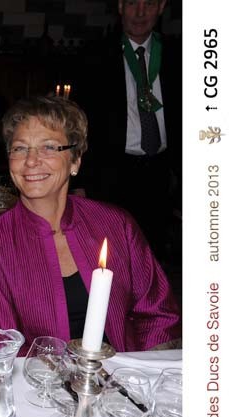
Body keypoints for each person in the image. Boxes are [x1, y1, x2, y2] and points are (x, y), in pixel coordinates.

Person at [0, 96, 180, 354]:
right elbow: (3, 343)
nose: (31, 161)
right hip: (38, 376)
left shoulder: (116, 224)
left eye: (48, 147)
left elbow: (159, 315)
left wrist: (141, 372)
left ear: (75, 161)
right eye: (19, 148)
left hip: (125, 370)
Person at [73, 0, 181, 264]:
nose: (140, 12)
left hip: (161, 174)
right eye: (133, 3)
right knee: (111, 259)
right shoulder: (94, 56)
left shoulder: (178, 55)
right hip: (110, 175)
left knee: (153, 258)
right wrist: (78, 182)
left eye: (149, 4)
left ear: (161, 7)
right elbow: (76, 124)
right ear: (120, 6)